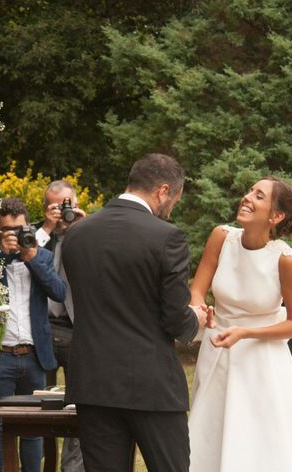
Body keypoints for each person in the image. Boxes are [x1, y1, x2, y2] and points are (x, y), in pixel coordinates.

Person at [62, 153, 209, 472]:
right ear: (163, 190)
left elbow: (80, 302)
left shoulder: (76, 234)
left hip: (93, 382)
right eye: (174, 201)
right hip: (150, 384)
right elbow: (174, 317)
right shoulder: (167, 237)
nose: (170, 210)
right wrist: (195, 319)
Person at [188, 176, 292, 471]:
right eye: (250, 191)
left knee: (259, 439)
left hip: (262, 360)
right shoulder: (221, 237)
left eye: (259, 196)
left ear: (276, 216)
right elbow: (197, 288)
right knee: (209, 433)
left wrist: (246, 332)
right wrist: (199, 308)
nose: (248, 197)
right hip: (218, 351)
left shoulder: (286, 260)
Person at [0, 197, 66, 472]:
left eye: (19, 229)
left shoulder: (42, 256)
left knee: (33, 428)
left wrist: (31, 258)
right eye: (7, 230)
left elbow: (59, 293)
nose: (14, 235)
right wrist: (0, 255)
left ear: (29, 227)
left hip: (33, 355)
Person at [36, 180, 86, 472]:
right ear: (46, 208)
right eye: (56, 206)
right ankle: (41, 464)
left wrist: (82, 224)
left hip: (78, 329)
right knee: (39, 408)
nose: (63, 211)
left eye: (67, 204)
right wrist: (48, 229)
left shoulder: (88, 231)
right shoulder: (36, 234)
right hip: (42, 328)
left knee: (79, 404)